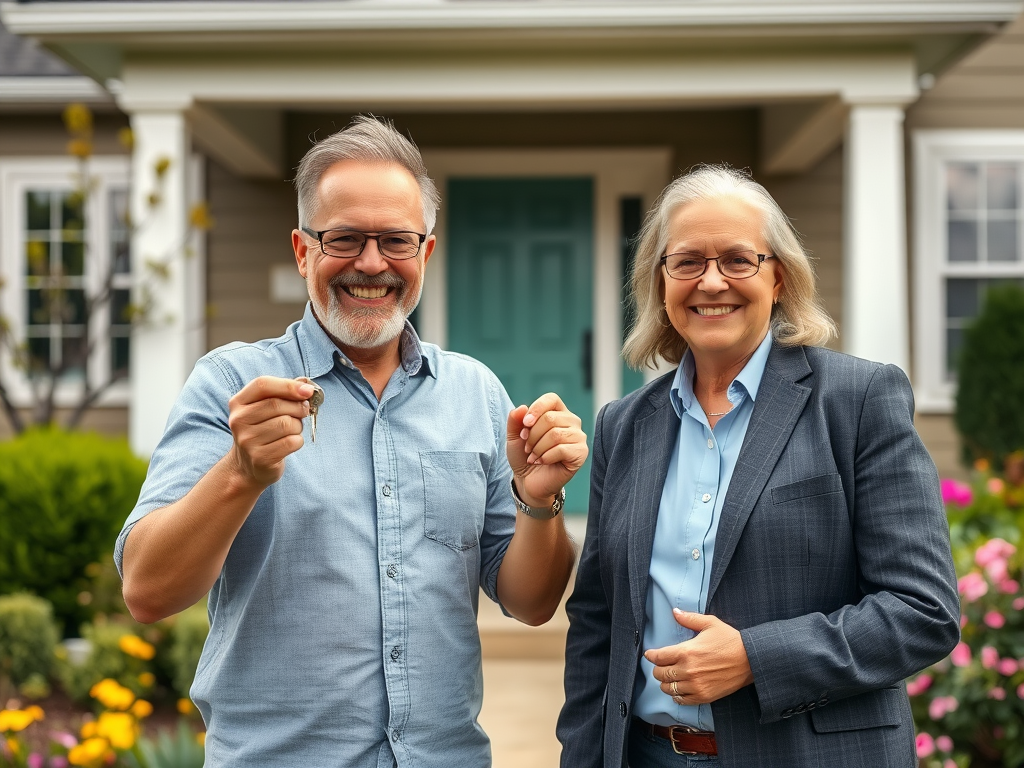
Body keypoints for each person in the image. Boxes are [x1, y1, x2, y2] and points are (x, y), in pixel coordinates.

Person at [115, 115, 587, 767]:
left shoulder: (474, 393)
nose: (371, 262)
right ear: (302, 250)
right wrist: (241, 474)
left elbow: (532, 603)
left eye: (395, 240)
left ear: (425, 254)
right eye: (344, 238)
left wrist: (538, 501)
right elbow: (147, 591)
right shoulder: (232, 385)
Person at [557, 165, 960, 768]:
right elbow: (597, 620)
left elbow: (923, 610)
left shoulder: (856, 401)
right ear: (661, 283)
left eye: (738, 260)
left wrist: (755, 657)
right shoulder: (625, 424)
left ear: (779, 278)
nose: (711, 281)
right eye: (687, 261)